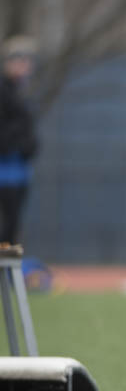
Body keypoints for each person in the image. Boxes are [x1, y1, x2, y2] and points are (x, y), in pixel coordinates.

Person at [0, 36, 39, 245]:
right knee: (8, 221)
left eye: (28, 60)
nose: (25, 65)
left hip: (19, 167)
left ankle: (7, 273)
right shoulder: (4, 91)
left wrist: (30, 146)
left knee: (14, 223)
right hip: (4, 167)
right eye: (18, 59)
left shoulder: (24, 91)